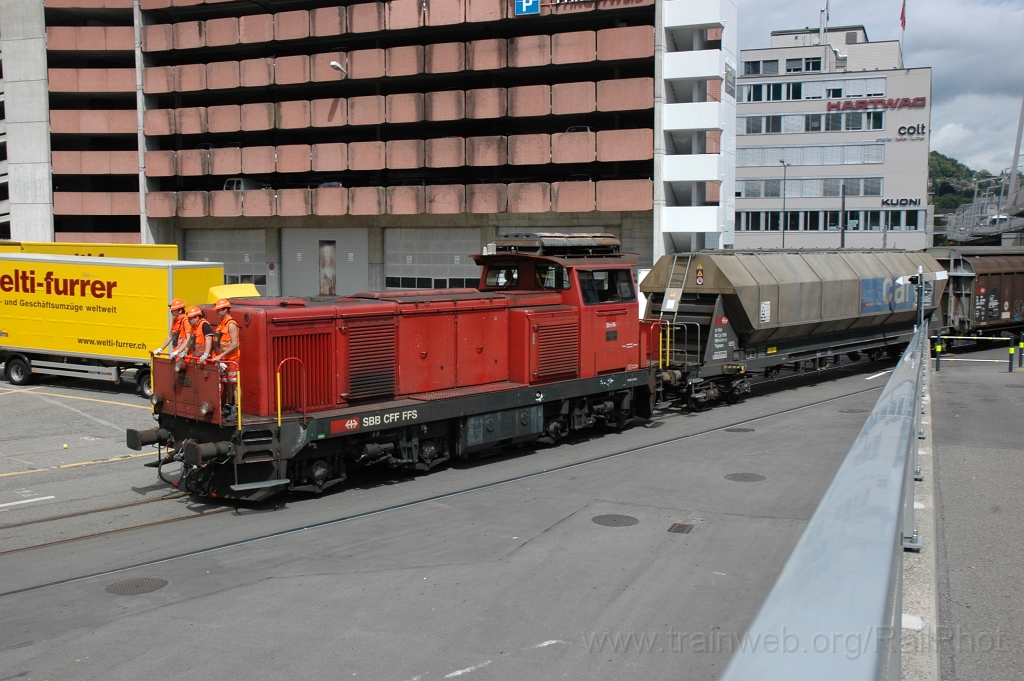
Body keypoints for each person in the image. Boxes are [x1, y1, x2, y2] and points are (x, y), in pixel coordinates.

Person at [211, 298, 240, 413]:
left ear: (226, 310)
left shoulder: (231, 324)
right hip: (224, 360)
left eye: (219, 310)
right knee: (227, 382)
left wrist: (221, 355)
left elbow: (234, 345)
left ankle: (236, 407)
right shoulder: (221, 324)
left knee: (234, 383)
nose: (217, 312)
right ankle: (229, 404)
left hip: (232, 359)